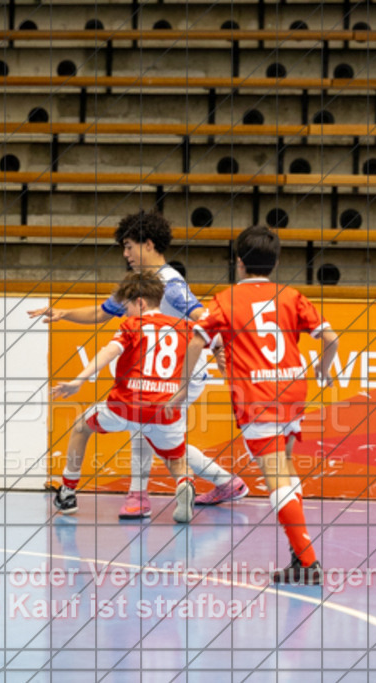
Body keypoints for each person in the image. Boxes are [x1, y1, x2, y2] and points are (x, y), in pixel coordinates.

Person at [29, 211, 247, 519]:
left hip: (182, 373)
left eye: (129, 246)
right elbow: (102, 313)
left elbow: (203, 316)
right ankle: (222, 482)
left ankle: (139, 497)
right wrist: (63, 313)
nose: (125, 253)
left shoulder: (169, 283)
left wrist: (222, 347)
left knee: (143, 424)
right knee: (154, 431)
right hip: (163, 372)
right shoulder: (140, 285)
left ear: (147, 244)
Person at [169, 225, 339, 585]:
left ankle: (308, 563)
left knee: (276, 474)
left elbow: (196, 343)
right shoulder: (291, 296)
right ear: (275, 263)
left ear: (239, 263)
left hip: (258, 396)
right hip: (294, 392)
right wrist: (324, 370)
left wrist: (182, 390)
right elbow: (330, 337)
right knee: (286, 467)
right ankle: (299, 554)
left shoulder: (226, 299)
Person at [49, 271, 196, 523]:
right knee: (177, 462)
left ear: (139, 302)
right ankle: (184, 483)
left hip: (123, 407)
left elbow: (108, 352)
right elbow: (213, 343)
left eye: (126, 306)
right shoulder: (185, 327)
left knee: (81, 428)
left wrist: (79, 380)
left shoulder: (131, 325)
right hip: (164, 409)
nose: (125, 312)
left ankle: (68, 492)